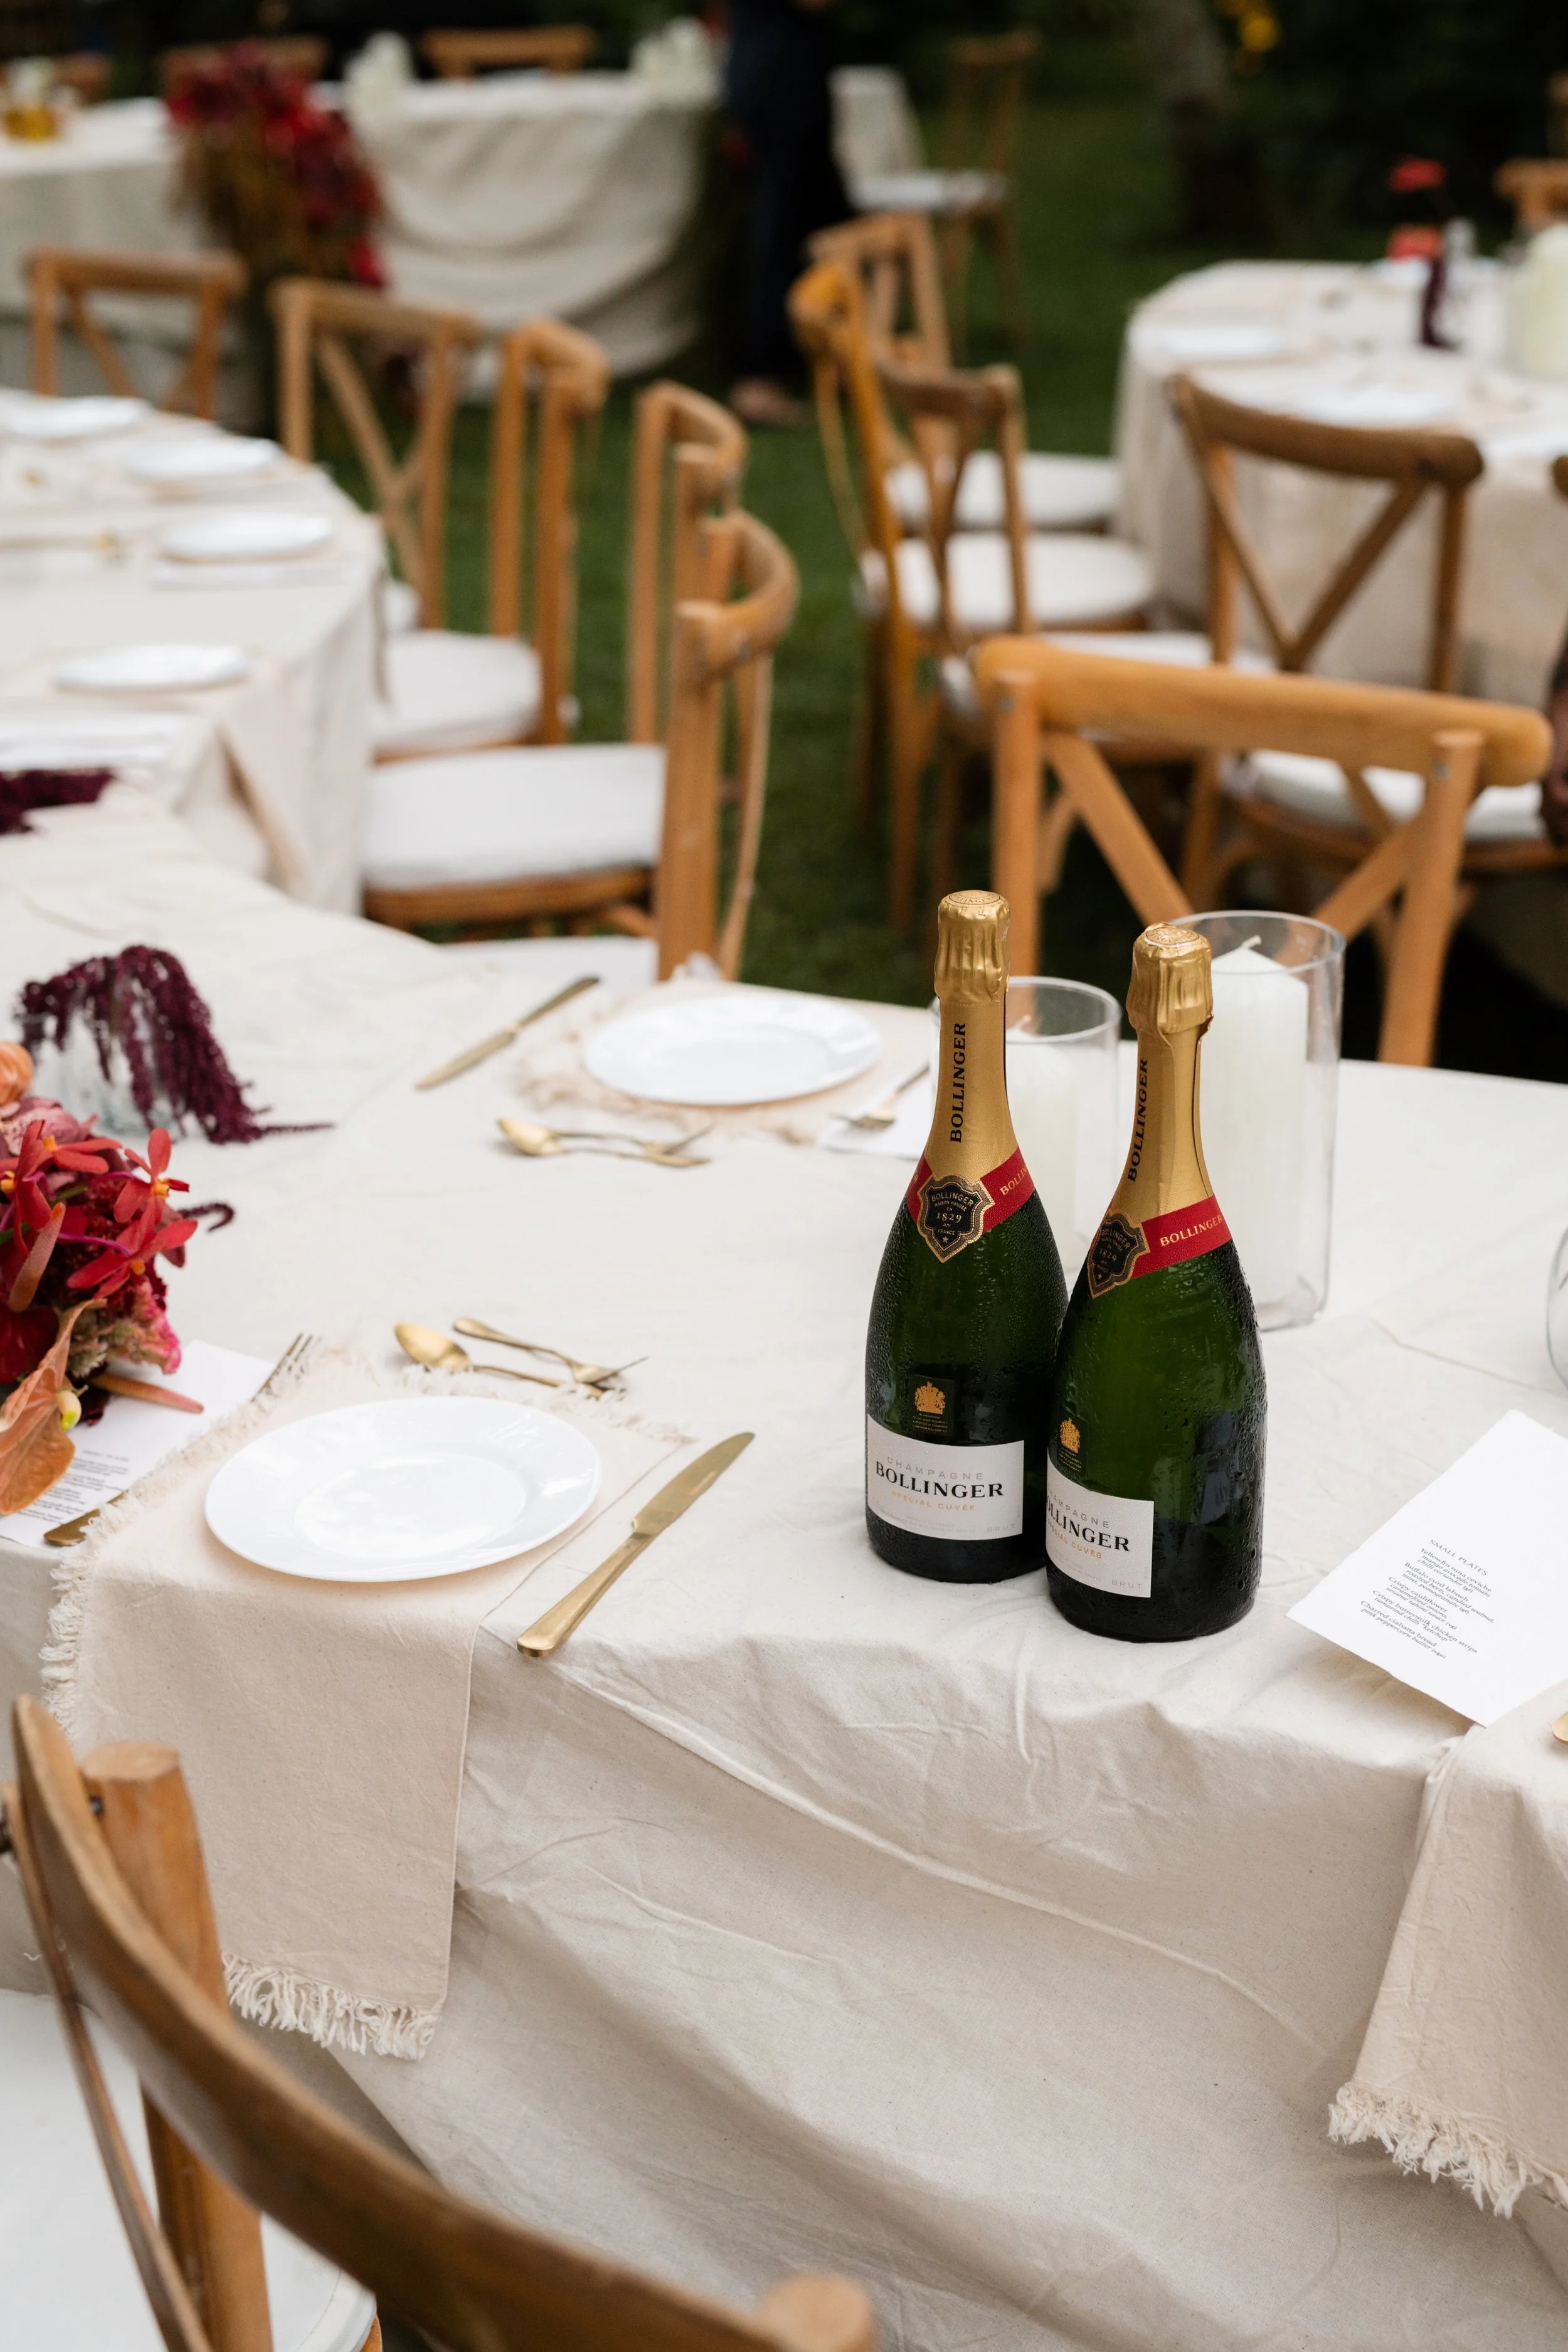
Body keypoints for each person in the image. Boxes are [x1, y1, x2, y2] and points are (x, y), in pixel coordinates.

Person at [724, 0, 850, 427]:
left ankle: (831, 355)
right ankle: (759, 376)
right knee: (783, 229)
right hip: (782, 76)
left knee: (821, 218)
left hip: (775, 68)